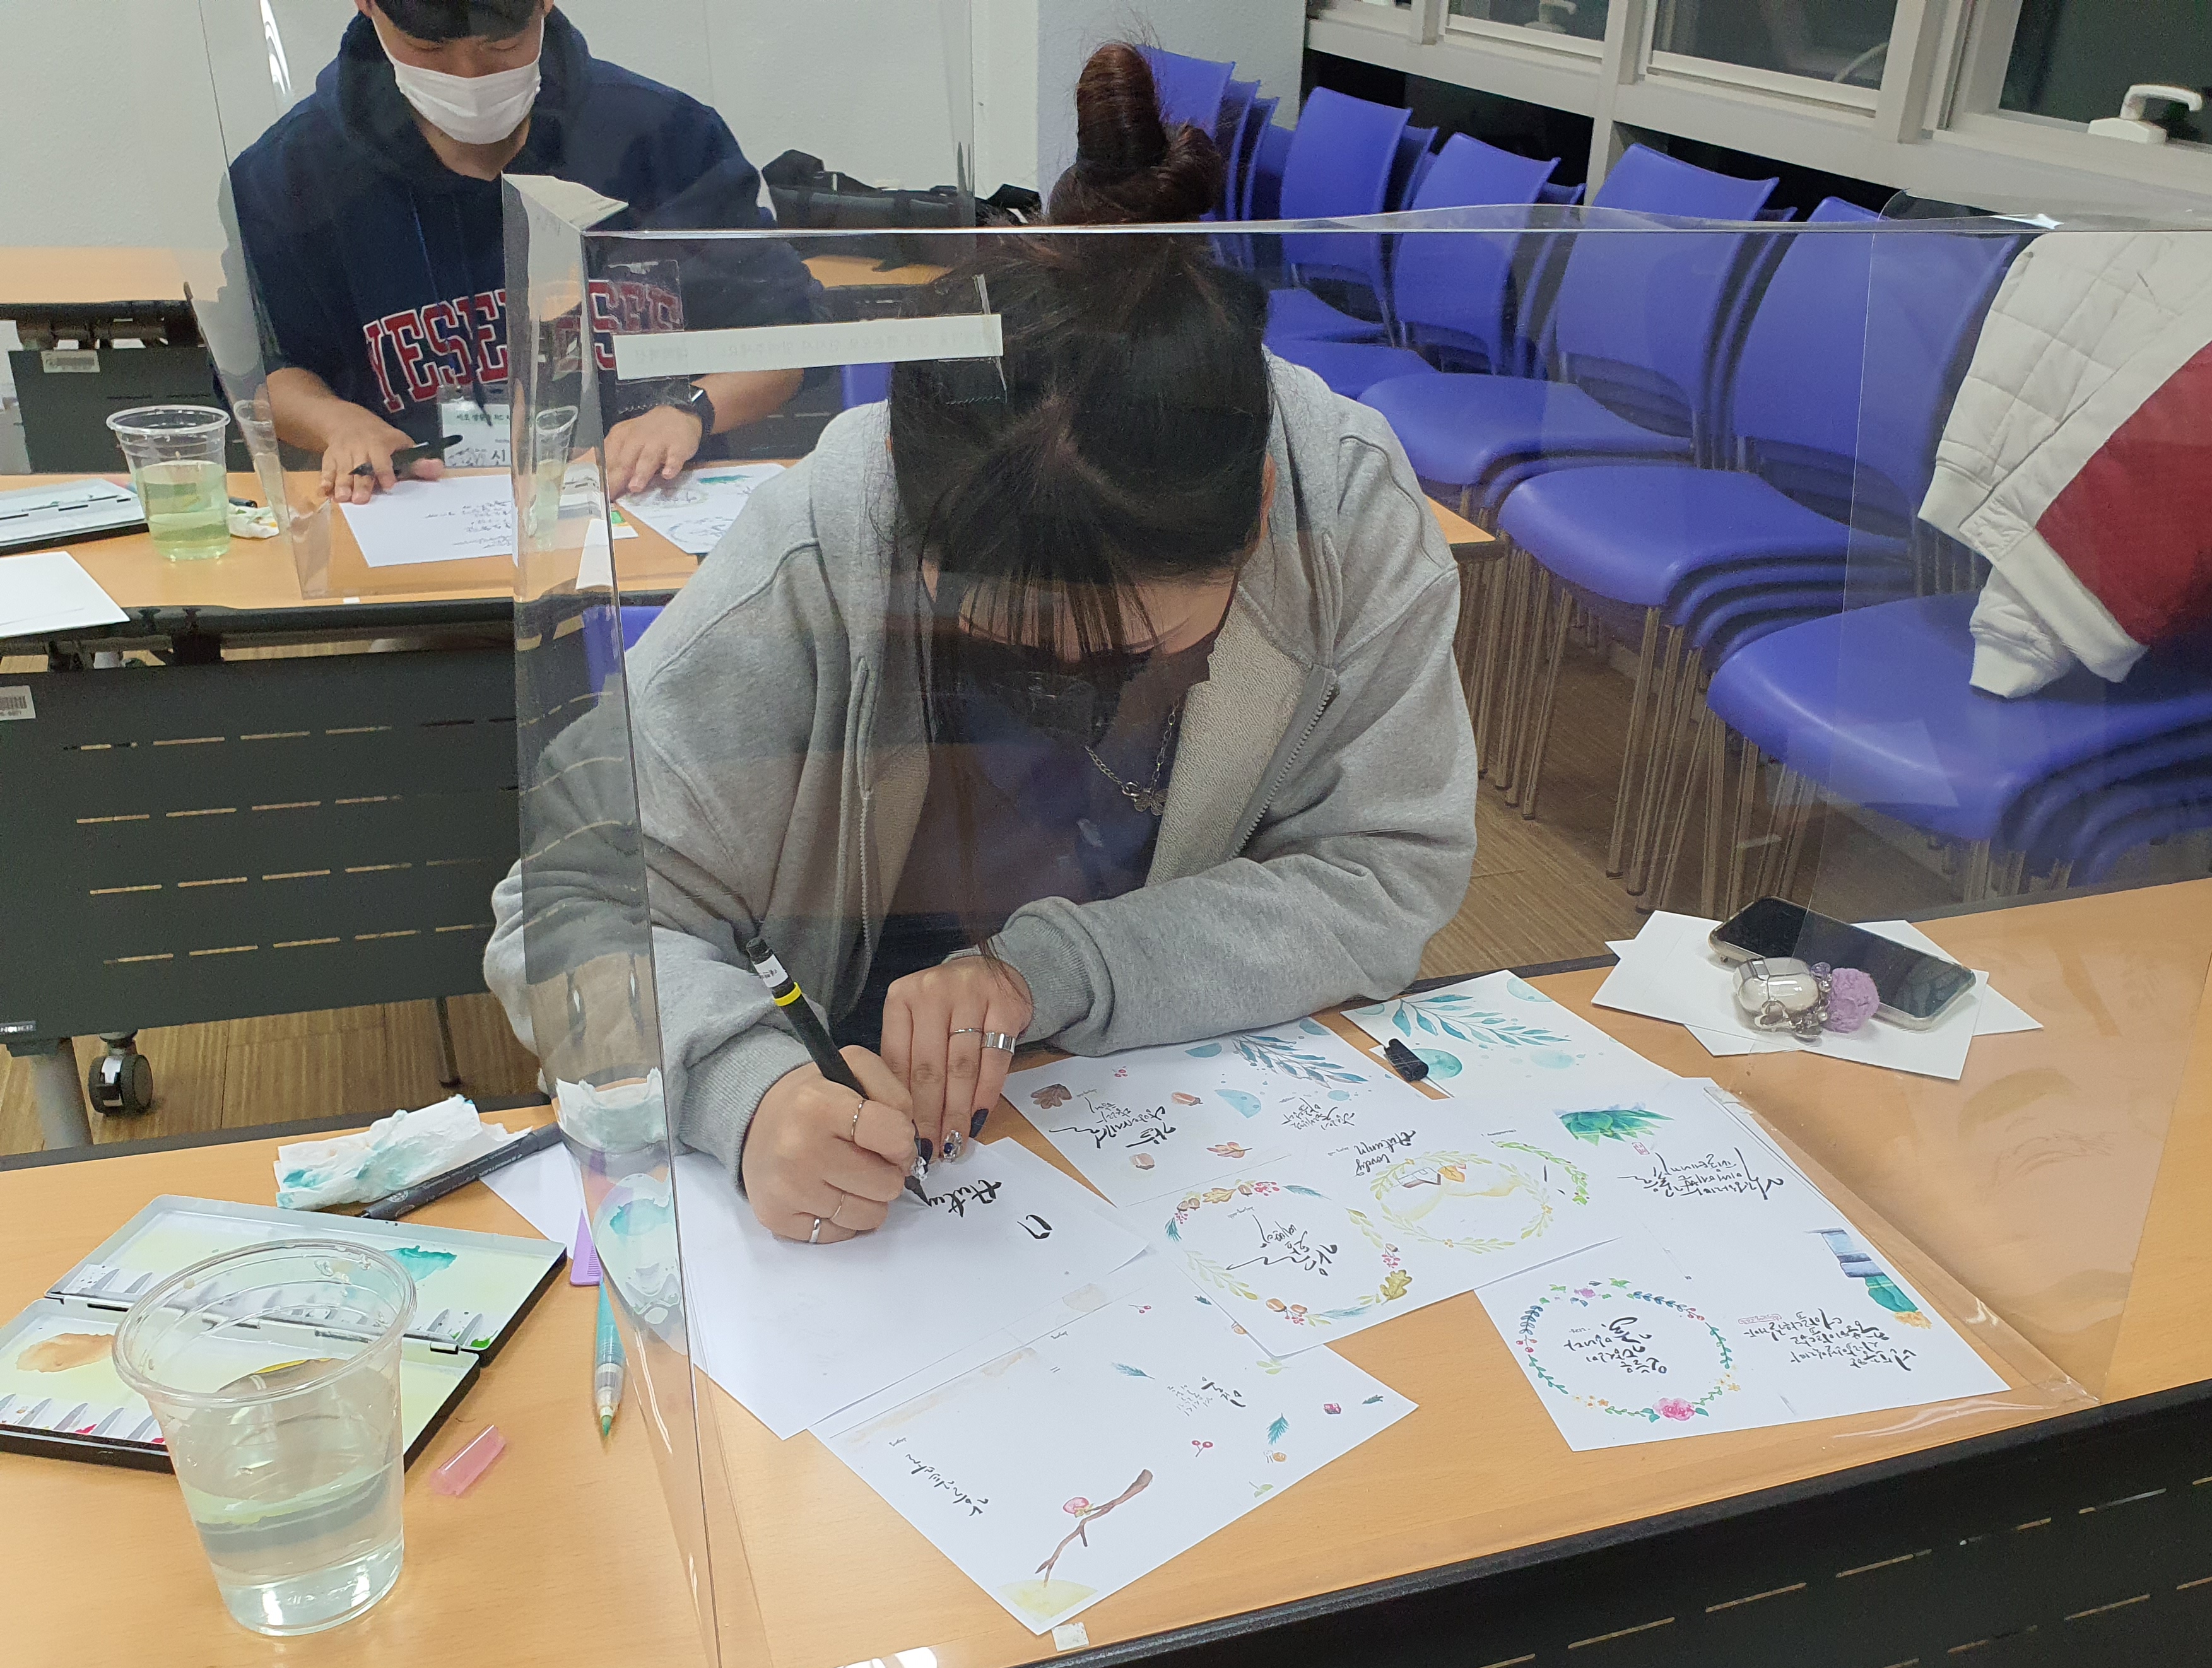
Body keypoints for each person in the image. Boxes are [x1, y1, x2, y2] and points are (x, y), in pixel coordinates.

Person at [487, 43, 1476, 1247]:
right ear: (916, 529)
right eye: (1002, 640)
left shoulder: (1344, 511)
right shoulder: (839, 528)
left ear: (1259, 512)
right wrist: (745, 1088)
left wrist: (1049, 967)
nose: (1062, 683)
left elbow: (1384, 868)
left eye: (1126, 650)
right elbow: (568, 902)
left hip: (1174, 1128)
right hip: (863, 1118)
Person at [228, 0, 815, 503]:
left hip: (646, 512)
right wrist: (339, 424)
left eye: (502, 44)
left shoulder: (665, 137)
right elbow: (265, 368)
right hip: (422, 515)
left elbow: (786, 335)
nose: (469, 75)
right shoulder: (291, 175)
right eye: (428, 49)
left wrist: (691, 411)